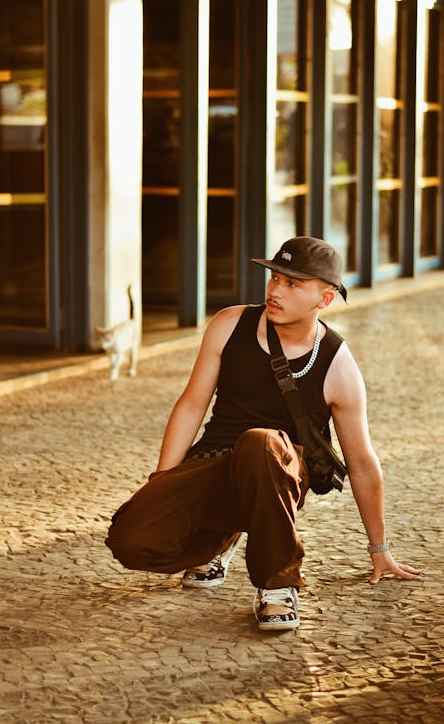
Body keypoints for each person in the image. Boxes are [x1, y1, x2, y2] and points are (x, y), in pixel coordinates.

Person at [105, 236, 421, 631]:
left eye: (292, 284)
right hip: (214, 463)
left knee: (259, 442)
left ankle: (278, 585)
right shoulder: (229, 324)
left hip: (280, 470)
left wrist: (380, 550)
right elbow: (190, 405)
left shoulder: (337, 364)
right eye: (274, 278)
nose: (275, 290)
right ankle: (224, 537)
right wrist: (162, 484)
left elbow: (361, 462)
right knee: (130, 542)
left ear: (323, 300)